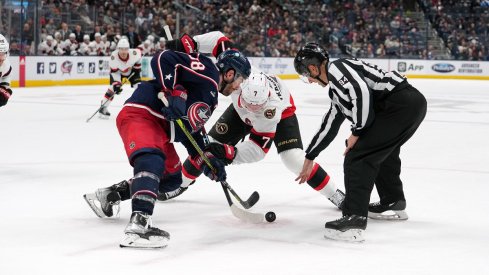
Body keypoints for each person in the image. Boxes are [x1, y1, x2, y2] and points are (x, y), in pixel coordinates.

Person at [84, 44, 251, 248]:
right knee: (152, 159)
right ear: (230, 73)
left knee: (171, 179)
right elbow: (163, 58)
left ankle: (110, 195)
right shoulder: (208, 70)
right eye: (240, 80)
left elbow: (192, 131)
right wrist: (171, 91)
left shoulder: (211, 96)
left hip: (161, 129)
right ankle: (139, 225)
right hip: (143, 113)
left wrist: (209, 161)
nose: (238, 86)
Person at [293, 42, 427, 242]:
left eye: (307, 75)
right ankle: (393, 201)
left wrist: (357, 131)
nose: (310, 80)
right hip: (409, 104)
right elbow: (329, 125)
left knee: (358, 156)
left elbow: (360, 92)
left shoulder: (337, 69)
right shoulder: (336, 89)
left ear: (313, 68)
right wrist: (310, 155)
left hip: (400, 104)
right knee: (382, 151)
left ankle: (354, 219)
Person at [98, 38, 142, 118]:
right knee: (112, 89)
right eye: (121, 49)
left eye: (125, 49)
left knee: (139, 87)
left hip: (131, 71)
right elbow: (114, 72)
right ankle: (103, 106)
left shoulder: (135, 53)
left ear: (128, 49)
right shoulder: (113, 57)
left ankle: (140, 108)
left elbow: (138, 61)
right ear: (118, 49)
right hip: (118, 73)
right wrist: (116, 85)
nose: (123, 52)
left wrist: (136, 69)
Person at [0, 34, 12, 107]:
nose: (0, 58)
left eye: (3, 54)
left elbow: (7, 76)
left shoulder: (6, 65)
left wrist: (4, 88)